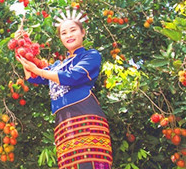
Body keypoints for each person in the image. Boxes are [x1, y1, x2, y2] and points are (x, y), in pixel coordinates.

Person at [16, 10, 113, 169]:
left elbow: (73, 76)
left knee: (91, 163)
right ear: (60, 38)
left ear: (83, 32)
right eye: (64, 32)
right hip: (63, 122)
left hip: (85, 116)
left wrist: (40, 70)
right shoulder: (57, 66)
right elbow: (32, 76)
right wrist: (22, 47)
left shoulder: (91, 55)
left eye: (73, 30)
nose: (69, 35)